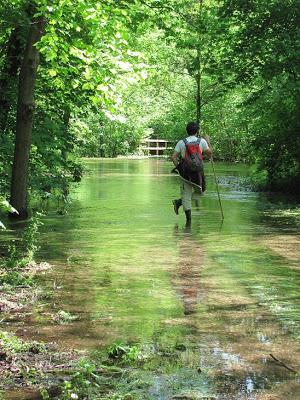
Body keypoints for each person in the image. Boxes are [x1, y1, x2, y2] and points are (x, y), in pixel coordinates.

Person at [171, 121, 212, 225]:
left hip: (185, 173)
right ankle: (180, 204)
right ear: (197, 131)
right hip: (198, 173)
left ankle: (187, 222)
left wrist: (179, 168)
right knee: (201, 191)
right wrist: (208, 141)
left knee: (186, 195)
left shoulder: (181, 142)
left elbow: (173, 157)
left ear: (187, 131)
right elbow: (210, 154)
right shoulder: (202, 141)